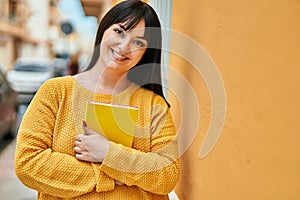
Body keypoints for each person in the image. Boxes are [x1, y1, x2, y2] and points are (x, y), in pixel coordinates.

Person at [14, 0, 180, 199]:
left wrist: (108, 153)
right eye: (119, 31)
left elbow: (167, 175)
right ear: (103, 29)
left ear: (147, 51)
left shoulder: (154, 105)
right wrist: (109, 176)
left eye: (138, 42)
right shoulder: (56, 92)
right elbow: (27, 163)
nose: (124, 46)